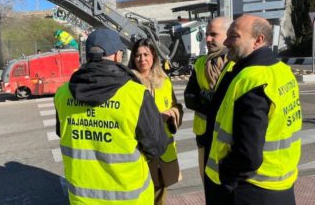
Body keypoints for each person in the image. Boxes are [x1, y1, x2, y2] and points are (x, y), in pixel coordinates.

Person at [54, 28, 168, 205]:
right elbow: (157, 147)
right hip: (130, 199)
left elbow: (63, 133)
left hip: (82, 200)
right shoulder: (136, 95)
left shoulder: (62, 93)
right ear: (117, 56)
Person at [204, 14, 302, 205]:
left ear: (258, 40)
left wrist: (225, 170)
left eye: (234, 36)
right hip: (281, 184)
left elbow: (248, 155)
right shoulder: (282, 70)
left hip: (251, 190)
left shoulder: (252, 79)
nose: (226, 41)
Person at [128, 39, 183, 205]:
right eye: (137, 55)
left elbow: (176, 106)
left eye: (146, 54)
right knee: (142, 194)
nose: (142, 59)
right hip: (141, 149)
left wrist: (171, 114)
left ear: (153, 55)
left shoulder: (164, 80)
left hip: (163, 148)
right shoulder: (129, 81)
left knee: (160, 193)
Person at [184, 16, 233, 182]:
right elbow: (189, 98)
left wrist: (205, 97)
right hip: (204, 135)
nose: (207, 39)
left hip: (230, 137)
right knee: (208, 183)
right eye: (206, 34)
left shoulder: (237, 64)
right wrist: (213, 98)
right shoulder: (200, 63)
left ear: (228, 35)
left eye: (213, 34)